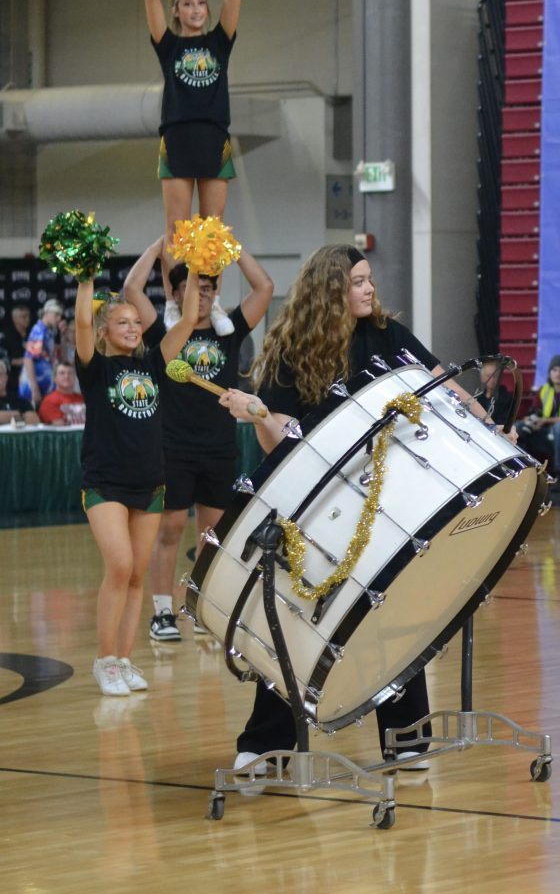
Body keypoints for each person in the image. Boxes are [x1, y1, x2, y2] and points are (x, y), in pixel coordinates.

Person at [219, 245, 504, 774]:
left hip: (393, 497)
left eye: (369, 279)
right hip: (322, 507)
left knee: (390, 610)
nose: (369, 289)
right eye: (357, 281)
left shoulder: (389, 336)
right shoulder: (292, 349)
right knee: (298, 618)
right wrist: (259, 414)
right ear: (330, 291)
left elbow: (447, 391)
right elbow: (280, 443)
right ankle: (266, 743)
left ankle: (407, 739)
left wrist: (489, 428)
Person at [123, 236, 273, 643]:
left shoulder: (229, 333)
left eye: (207, 289)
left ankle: (202, 608)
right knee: (170, 530)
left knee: (211, 537)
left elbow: (265, 288)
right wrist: (158, 244)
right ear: (175, 294)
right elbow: (131, 290)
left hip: (219, 448)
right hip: (172, 447)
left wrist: (231, 246)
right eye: (191, 288)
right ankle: (162, 612)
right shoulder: (164, 333)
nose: (201, 296)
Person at [75, 260, 200, 696]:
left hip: (150, 484)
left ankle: (125, 661)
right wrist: (86, 279)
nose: (132, 328)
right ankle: (104, 661)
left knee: (136, 576)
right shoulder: (95, 369)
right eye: (122, 322)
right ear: (105, 330)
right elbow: (81, 324)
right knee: (120, 565)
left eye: (135, 322)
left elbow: (187, 319)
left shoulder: (151, 366)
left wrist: (196, 269)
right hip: (104, 483)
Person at [144, 0, 242, 337]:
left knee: (212, 229)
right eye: (188, 4)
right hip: (178, 139)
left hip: (214, 138)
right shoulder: (168, 46)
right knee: (177, 230)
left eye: (201, 3)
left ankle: (212, 299)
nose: (197, 10)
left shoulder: (220, 40)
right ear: (177, 11)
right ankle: (171, 301)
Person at [515, 354, 560, 487]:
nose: (557, 374)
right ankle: (524, 472)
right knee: (520, 427)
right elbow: (534, 413)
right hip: (551, 436)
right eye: (554, 370)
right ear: (550, 372)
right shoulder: (544, 390)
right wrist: (532, 422)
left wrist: (545, 421)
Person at [18, 299, 63, 407]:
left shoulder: (49, 331)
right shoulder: (39, 330)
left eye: (60, 315)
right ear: (47, 312)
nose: (59, 318)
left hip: (44, 385)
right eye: (56, 314)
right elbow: (28, 359)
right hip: (33, 388)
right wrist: (34, 387)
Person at [2, 304, 31, 392]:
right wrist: (23, 361)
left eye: (28, 316)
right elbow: (3, 359)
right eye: (24, 317)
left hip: (33, 376)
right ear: (15, 319)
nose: (27, 319)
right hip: (14, 379)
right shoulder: (6, 337)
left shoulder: (33, 334)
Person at [0, 359, 39, 425]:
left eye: (0, 375)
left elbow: (35, 419)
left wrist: (8, 416)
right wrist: (20, 414)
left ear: (6, 378)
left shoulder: (19, 400)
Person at [476, 359, 513, 427]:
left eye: (495, 376)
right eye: (488, 376)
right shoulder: (476, 397)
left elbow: (504, 422)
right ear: (482, 377)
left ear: (499, 377)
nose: (492, 380)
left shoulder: (508, 399)